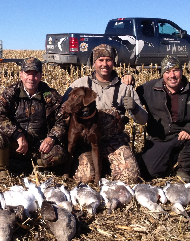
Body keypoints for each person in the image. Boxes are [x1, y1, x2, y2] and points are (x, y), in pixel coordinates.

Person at [63, 44, 147, 184]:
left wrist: (134, 108)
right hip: (88, 145)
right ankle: (101, 167)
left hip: (114, 142)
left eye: (108, 60)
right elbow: (64, 107)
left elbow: (143, 120)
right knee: (85, 178)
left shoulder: (125, 88)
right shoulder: (80, 84)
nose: (104, 64)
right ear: (94, 62)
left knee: (130, 177)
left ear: (113, 62)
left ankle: (111, 166)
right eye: (100, 60)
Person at [136, 55, 190, 182]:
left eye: (175, 70)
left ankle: (185, 168)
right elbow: (132, 94)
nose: (172, 75)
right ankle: (171, 159)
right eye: (167, 72)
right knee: (149, 172)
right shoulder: (149, 88)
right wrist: (127, 80)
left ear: (182, 71)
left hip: (182, 136)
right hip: (160, 139)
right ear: (162, 74)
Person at [0, 57, 68, 179]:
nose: (31, 78)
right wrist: (17, 134)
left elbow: (63, 121)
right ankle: (4, 172)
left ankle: (32, 167)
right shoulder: (11, 93)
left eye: (35, 74)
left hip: (38, 146)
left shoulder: (51, 96)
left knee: (60, 153)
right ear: (21, 75)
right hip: (14, 143)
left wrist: (51, 138)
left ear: (40, 75)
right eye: (27, 74)